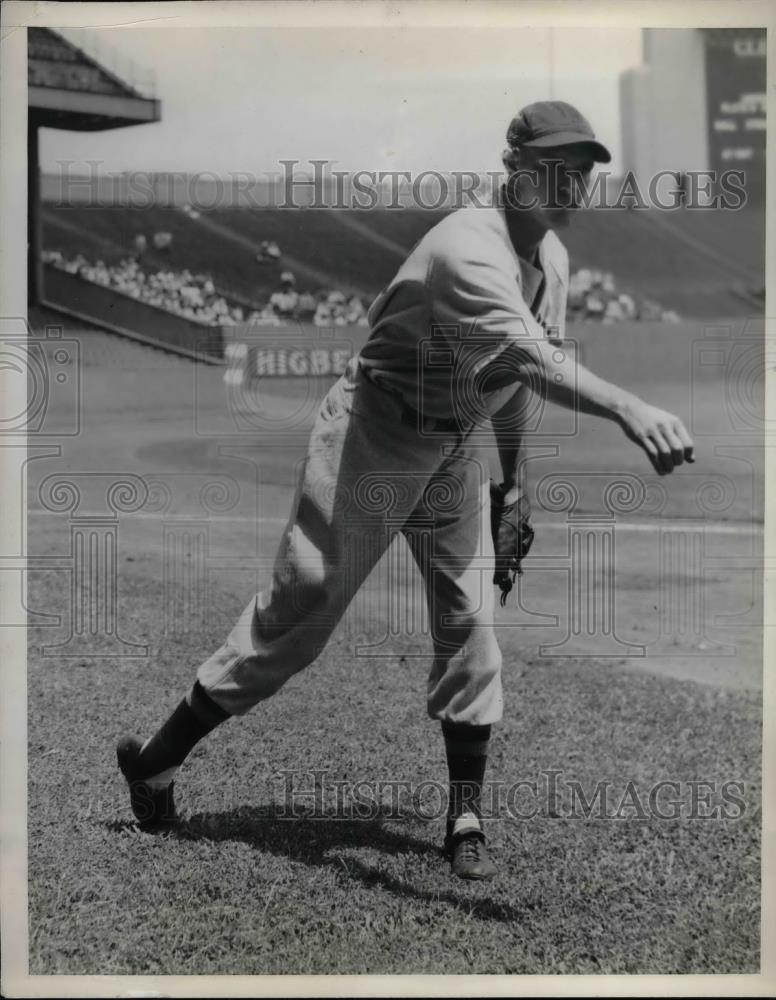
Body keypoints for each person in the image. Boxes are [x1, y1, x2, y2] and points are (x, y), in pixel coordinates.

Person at [118, 101, 694, 880]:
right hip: (376, 433)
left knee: (471, 622)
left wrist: (513, 487)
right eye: (556, 167)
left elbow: (512, 383)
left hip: (455, 445)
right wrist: (630, 406)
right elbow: (530, 360)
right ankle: (154, 764)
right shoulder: (467, 249)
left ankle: (465, 817)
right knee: (301, 614)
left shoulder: (549, 259)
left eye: (584, 169)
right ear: (515, 169)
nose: (572, 183)